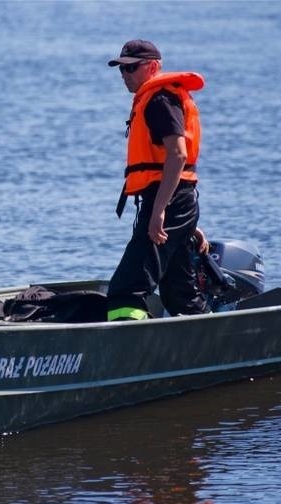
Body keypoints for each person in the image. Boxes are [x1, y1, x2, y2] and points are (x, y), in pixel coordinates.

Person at [106, 40, 209, 320]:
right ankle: (213, 339)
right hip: (173, 202)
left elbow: (178, 154)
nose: (125, 76)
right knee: (180, 294)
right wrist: (184, 224)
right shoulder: (152, 99)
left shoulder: (160, 100)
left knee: (125, 289)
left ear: (152, 67)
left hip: (169, 202)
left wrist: (161, 211)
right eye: (121, 70)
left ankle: (126, 349)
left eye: (131, 69)